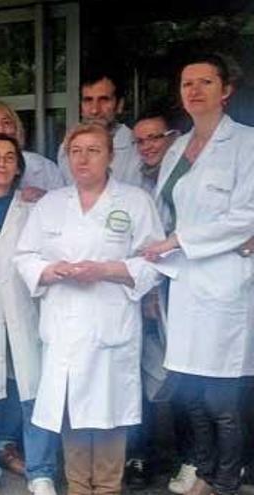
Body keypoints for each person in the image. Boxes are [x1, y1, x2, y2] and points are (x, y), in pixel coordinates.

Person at [15, 122, 165, 495]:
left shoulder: (134, 202)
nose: (83, 158)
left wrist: (108, 270)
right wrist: (50, 271)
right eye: (76, 150)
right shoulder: (51, 204)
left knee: (110, 414)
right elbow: (24, 255)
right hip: (64, 323)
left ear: (111, 156)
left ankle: (109, 488)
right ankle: (78, 487)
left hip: (110, 322)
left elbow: (155, 261)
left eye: (93, 150)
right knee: (71, 411)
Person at [142, 54, 254, 495]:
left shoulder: (246, 144)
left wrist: (178, 240)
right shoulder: (177, 149)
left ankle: (226, 479)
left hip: (224, 279)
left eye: (205, 82)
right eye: (187, 83)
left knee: (220, 396)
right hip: (183, 283)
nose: (194, 90)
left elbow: (246, 215)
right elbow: (164, 211)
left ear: (225, 90)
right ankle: (204, 472)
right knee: (189, 388)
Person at [0, 133, 60, 495]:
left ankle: (41, 471)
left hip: (25, 309)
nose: (2, 163)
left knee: (32, 390)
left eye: (9, 157)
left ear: (19, 167)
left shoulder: (35, 208)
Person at [123, 109, 181, 489]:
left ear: (173, 138)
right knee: (146, 377)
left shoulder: (183, 179)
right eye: (141, 140)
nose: (147, 146)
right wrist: (147, 292)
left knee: (183, 377)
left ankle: (180, 457)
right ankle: (144, 457)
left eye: (155, 138)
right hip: (145, 293)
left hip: (181, 287)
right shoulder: (133, 182)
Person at [57, 70, 142, 187]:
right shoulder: (66, 147)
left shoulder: (138, 148)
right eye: (88, 100)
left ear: (120, 105)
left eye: (104, 100)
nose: (94, 110)